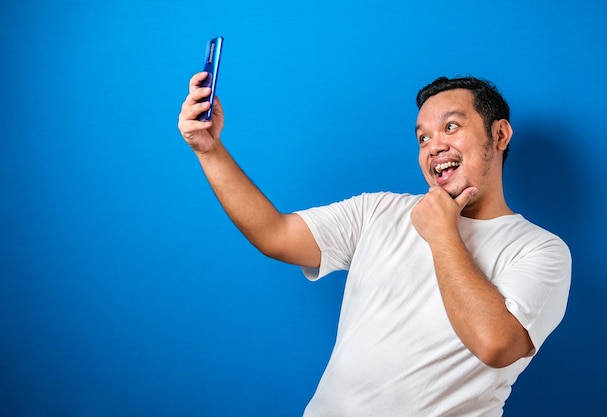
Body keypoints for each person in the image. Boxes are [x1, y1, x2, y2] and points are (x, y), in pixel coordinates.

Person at [178, 73, 571, 417]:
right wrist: (209, 150)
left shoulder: (540, 250)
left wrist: (442, 233)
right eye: (423, 137)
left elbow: (496, 346)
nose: (434, 146)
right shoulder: (378, 210)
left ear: (499, 134)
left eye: (451, 127)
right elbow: (275, 235)